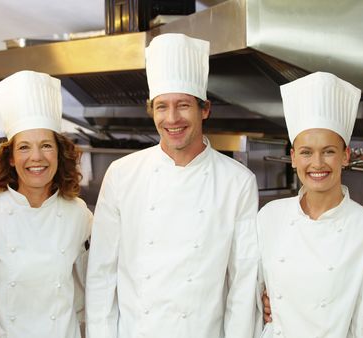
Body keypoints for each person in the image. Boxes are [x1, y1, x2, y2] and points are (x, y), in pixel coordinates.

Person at [85, 33, 260, 338]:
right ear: (151, 110)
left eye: (183, 105)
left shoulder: (238, 181)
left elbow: (243, 283)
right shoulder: (122, 174)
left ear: (204, 109)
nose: (172, 118)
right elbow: (101, 274)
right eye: (162, 107)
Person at [0, 70, 92, 338]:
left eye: (46, 145)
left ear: (59, 152)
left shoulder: (78, 213)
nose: (36, 157)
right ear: (10, 157)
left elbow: (89, 286)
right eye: (24, 147)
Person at [258, 72, 363, 338]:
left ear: (346, 156)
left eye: (329, 151)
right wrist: (263, 304)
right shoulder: (268, 217)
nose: (318, 164)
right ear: (292, 158)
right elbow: (249, 292)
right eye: (306, 152)